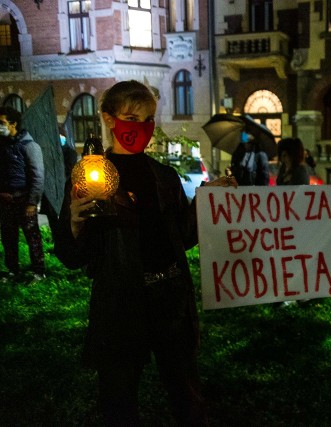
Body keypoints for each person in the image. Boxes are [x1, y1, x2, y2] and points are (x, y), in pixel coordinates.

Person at [54, 80, 235, 426]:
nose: (142, 128)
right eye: (131, 117)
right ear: (109, 119)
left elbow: (181, 236)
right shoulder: (91, 179)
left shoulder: (165, 176)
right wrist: (75, 225)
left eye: (149, 118)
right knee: (119, 397)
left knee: (185, 389)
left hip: (170, 300)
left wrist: (205, 200)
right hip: (120, 303)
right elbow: (72, 257)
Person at [0, 106, 46, 283]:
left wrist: (32, 202)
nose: (0, 126)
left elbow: (37, 175)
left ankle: (38, 272)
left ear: (14, 124)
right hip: (6, 200)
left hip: (24, 199)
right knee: (8, 237)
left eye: (2, 123)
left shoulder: (29, 146)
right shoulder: (2, 146)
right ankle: (13, 270)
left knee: (32, 237)